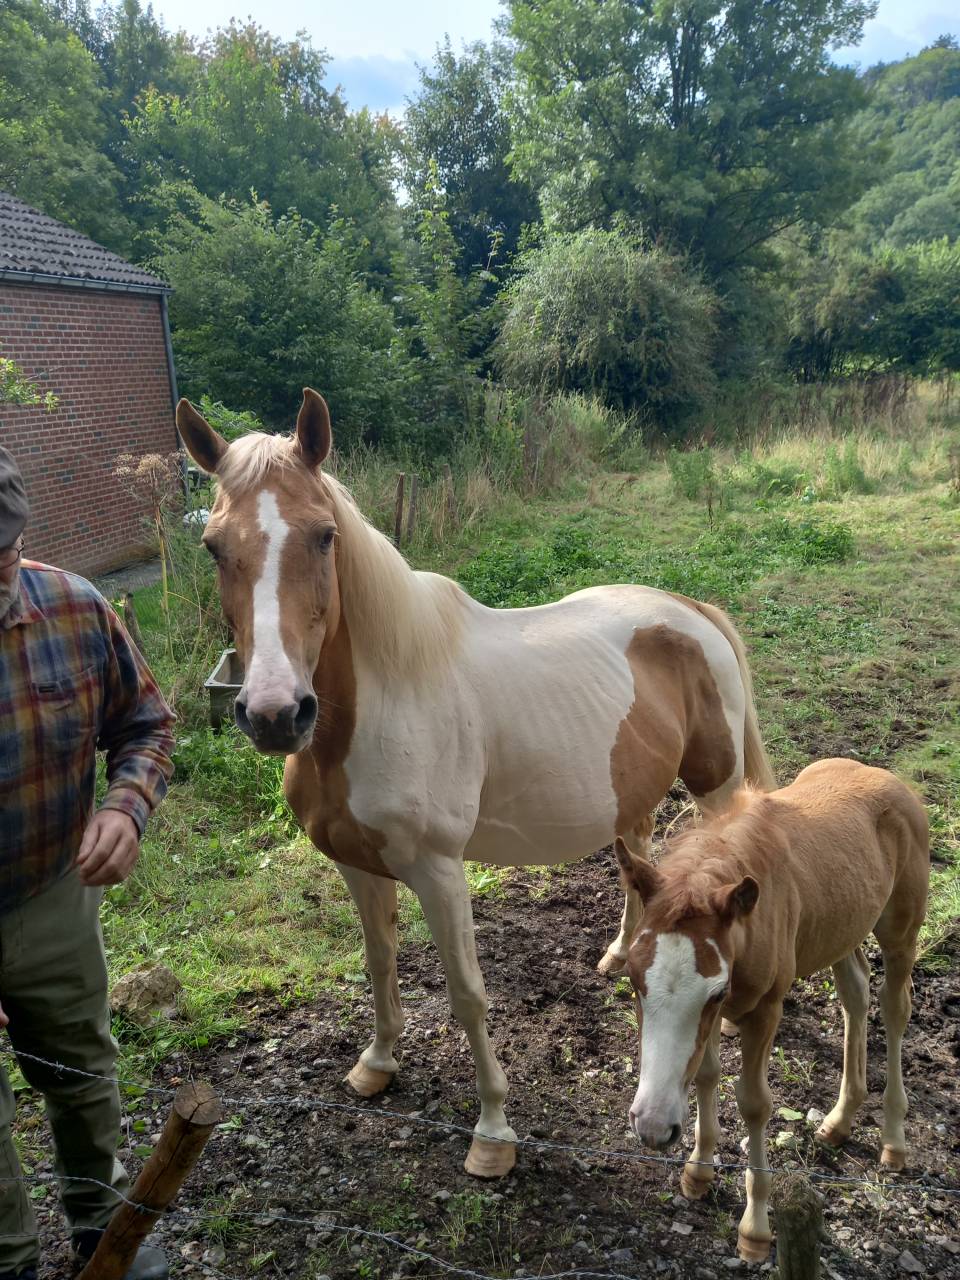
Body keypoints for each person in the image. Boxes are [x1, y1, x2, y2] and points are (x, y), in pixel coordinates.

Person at [0, 447, 175, 1280]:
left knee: (79, 1068)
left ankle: (100, 1225)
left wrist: (123, 806)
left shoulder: (76, 607)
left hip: (50, 897)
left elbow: (145, 725)